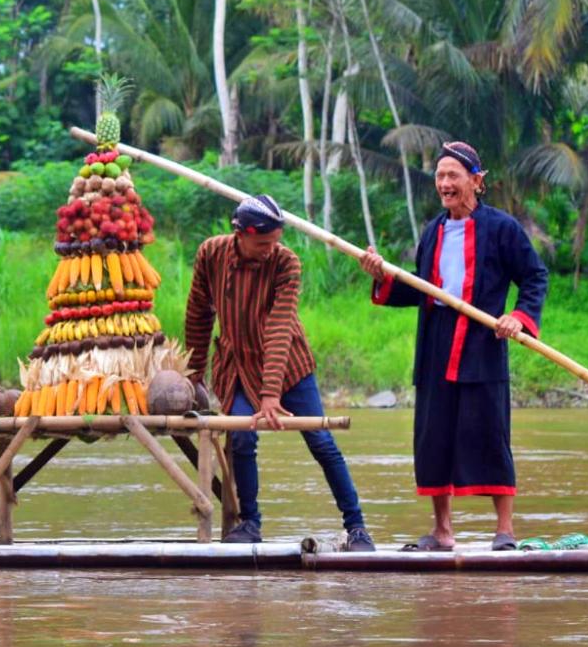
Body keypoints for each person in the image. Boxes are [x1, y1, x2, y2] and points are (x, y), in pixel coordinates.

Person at [360, 141, 547, 551]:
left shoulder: (502, 229)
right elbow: (421, 289)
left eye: (453, 176)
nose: (445, 184)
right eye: (440, 177)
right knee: (433, 436)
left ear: (476, 182)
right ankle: (443, 531)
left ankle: (505, 531)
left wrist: (519, 318)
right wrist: (382, 276)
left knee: (490, 433)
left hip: (483, 339)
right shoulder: (434, 230)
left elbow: (534, 277)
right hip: (436, 342)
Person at [185, 194, 375, 550]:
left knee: (320, 441)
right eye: (262, 243)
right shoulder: (211, 254)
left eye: (275, 242)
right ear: (240, 233)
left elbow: (279, 327)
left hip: (288, 368)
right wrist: (193, 372)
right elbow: (198, 313)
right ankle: (250, 522)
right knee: (241, 437)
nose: (270, 249)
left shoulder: (286, 262)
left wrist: (271, 394)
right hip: (238, 364)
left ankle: (357, 527)